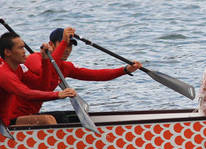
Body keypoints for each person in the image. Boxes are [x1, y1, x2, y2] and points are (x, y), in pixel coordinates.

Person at [13, 27, 142, 118]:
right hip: (11, 117)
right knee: (49, 120)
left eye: (70, 46)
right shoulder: (34, 58)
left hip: (31, 116)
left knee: (74, 118)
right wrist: (64, 41)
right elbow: (48, 70)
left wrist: (125, 70)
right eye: (64, 45)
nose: (68, 49)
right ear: (51, 44)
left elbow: (96, 75)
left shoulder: (66, 67)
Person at [0, 32, 76, 126]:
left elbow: (42, 86)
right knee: (47, 120)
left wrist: (45, 60)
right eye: (20, 48)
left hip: (9, 121)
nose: (24, 51)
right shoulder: (4, 74)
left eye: (24, 47)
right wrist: (58, 94)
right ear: (7, 52)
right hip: (4, 126)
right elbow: (26, 93)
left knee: (70, 116)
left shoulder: (21, 69)